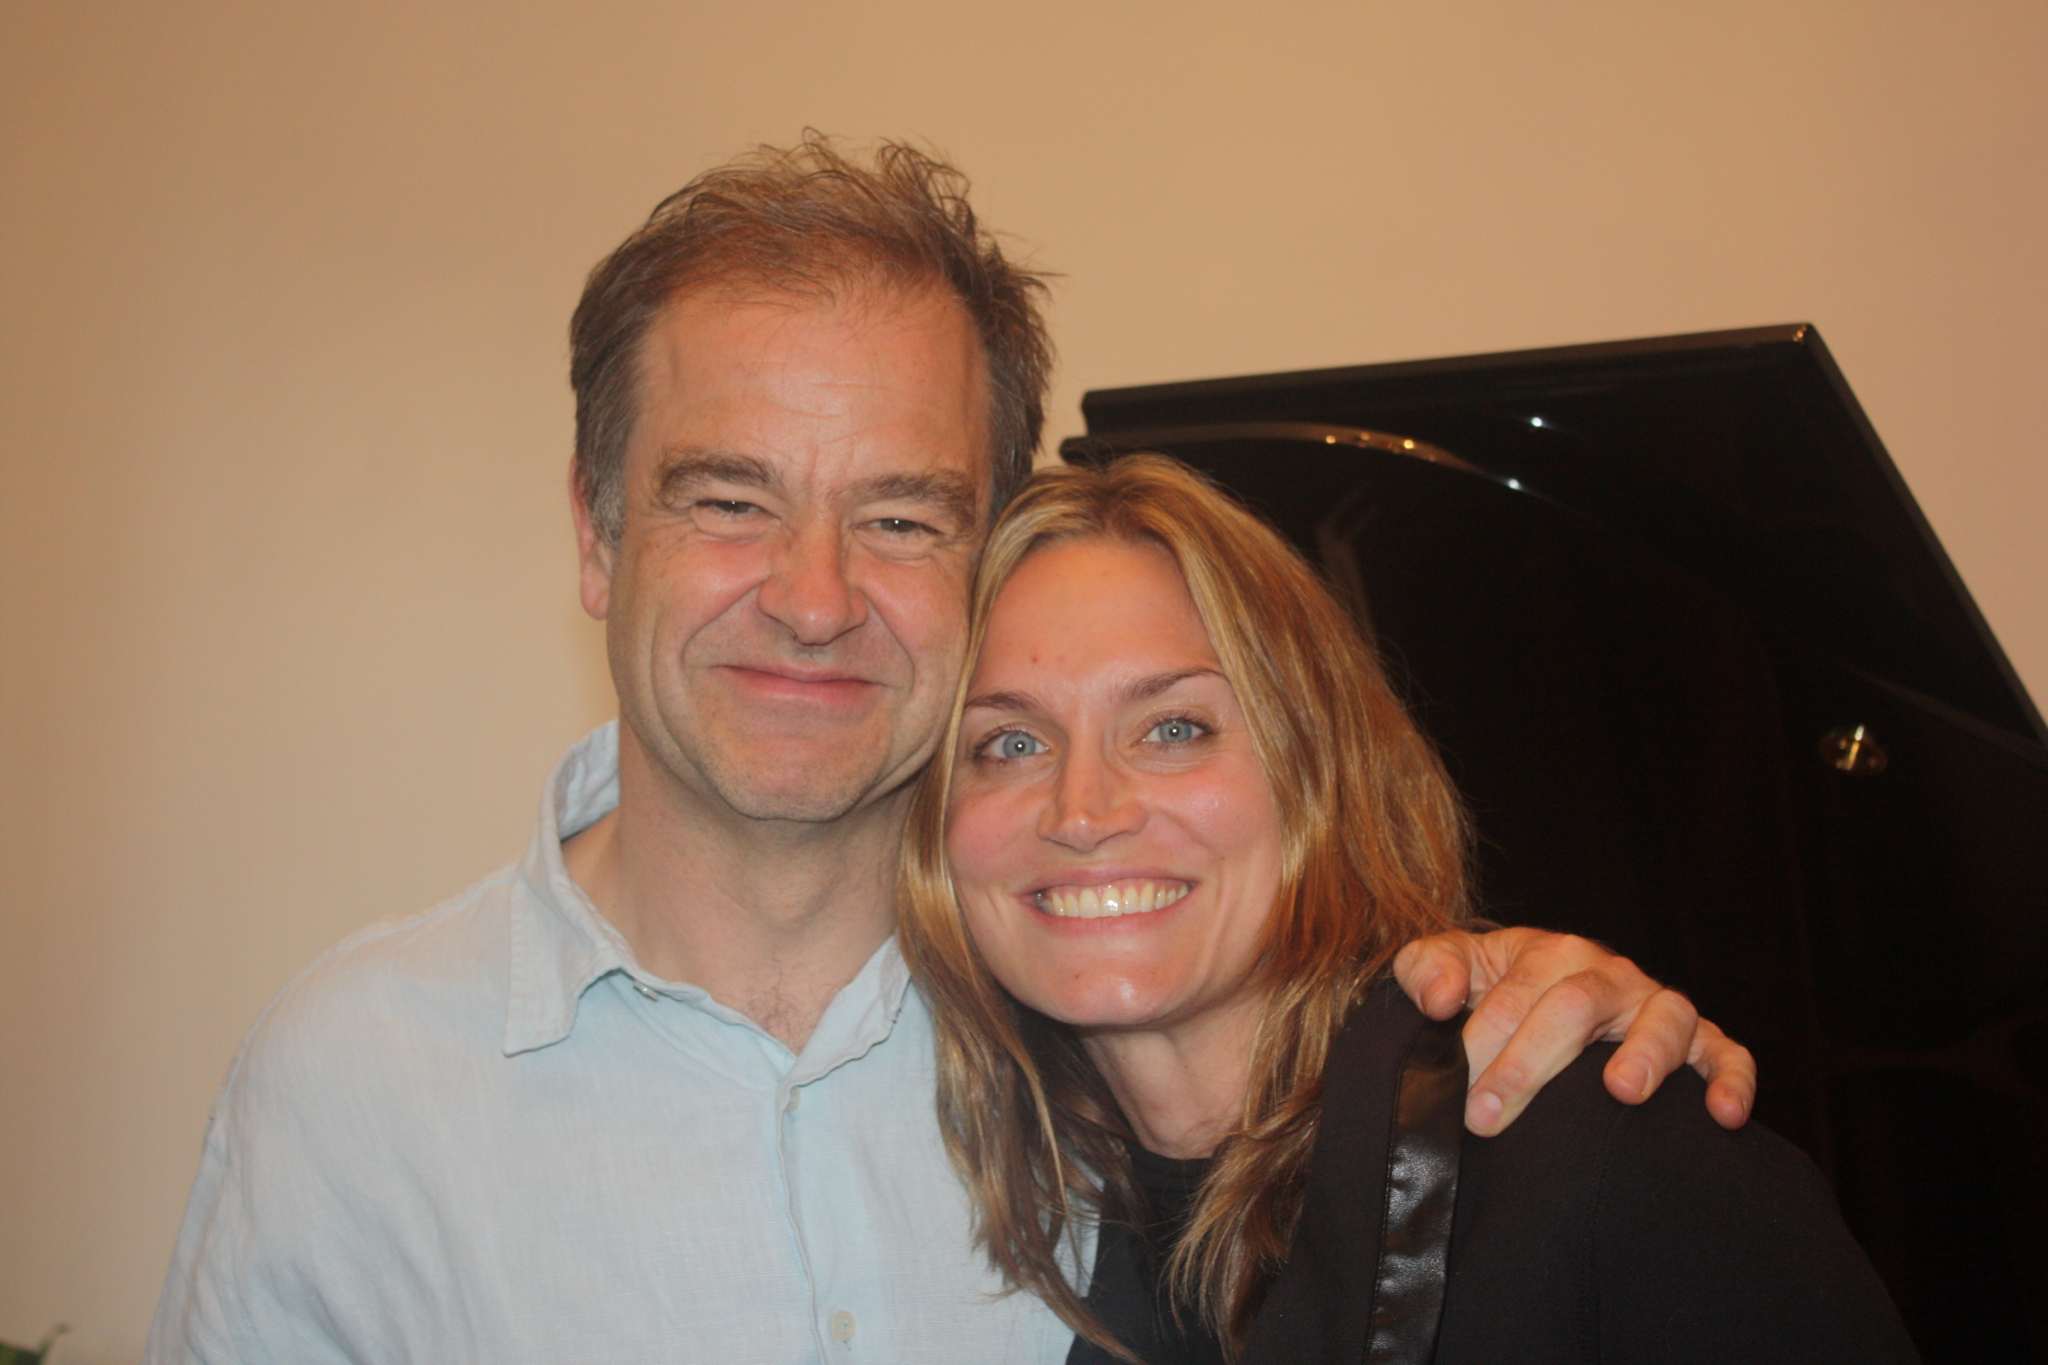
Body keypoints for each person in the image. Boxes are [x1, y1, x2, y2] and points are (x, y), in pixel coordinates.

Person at [145, 137, 1754, 1364]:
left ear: (987, 555)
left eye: (902, 517)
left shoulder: (1121, 1024)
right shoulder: (355, 1088)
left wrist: (1544, 1019)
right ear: (596, 533)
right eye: (729, 499)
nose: (814, 597)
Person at [899, 453, 1917, 1363]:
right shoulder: (1020, 1224)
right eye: (1010, 744)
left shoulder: (1610, 1165)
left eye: (1172, 728)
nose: (1081, 810)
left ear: (1320, 771)